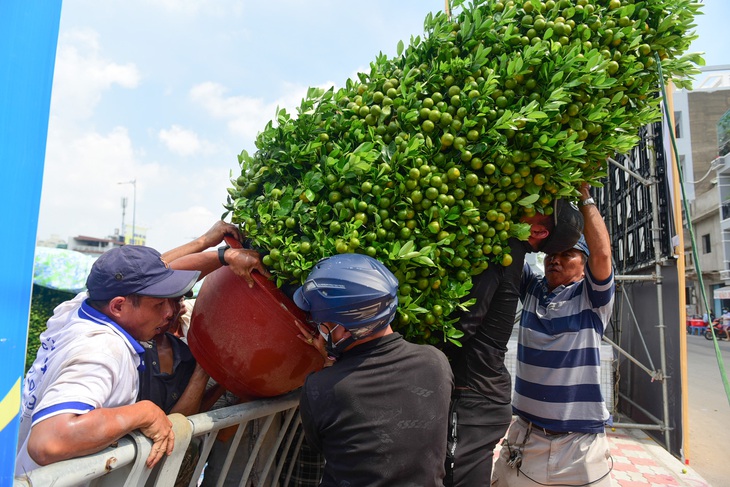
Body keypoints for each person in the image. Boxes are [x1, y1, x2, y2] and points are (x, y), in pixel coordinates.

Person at [15, 245, 201, 476]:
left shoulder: (79, 309)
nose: (170, 313)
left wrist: (213, 249)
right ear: (118, 306)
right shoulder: (103, 348)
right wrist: (144, 413)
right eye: (158, 304)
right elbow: (48, 440)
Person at [444, 197, 584, 486]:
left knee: (456, 478)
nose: (524, 202)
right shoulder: (512, 257)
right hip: (480, 395)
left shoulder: (505, 253)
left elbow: (464, 325)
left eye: (535, 207)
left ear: (537, 232)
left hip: (474, 396)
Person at [492, 183, 615, 487]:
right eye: (551, 255)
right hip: (525, 436)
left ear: (584, 267)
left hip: (579, 445)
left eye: (568, 254)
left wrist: (584, 196)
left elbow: (601, 253)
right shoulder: (533, 290)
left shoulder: (590, 298)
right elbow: (509, 244)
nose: (555, 260)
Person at [293, 253, 454, 486]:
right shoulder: (436, 361)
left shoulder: (320, 387)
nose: (320, 333)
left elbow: (320, 444)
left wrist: (329, 367)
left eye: (323, 325)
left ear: (347, 330)